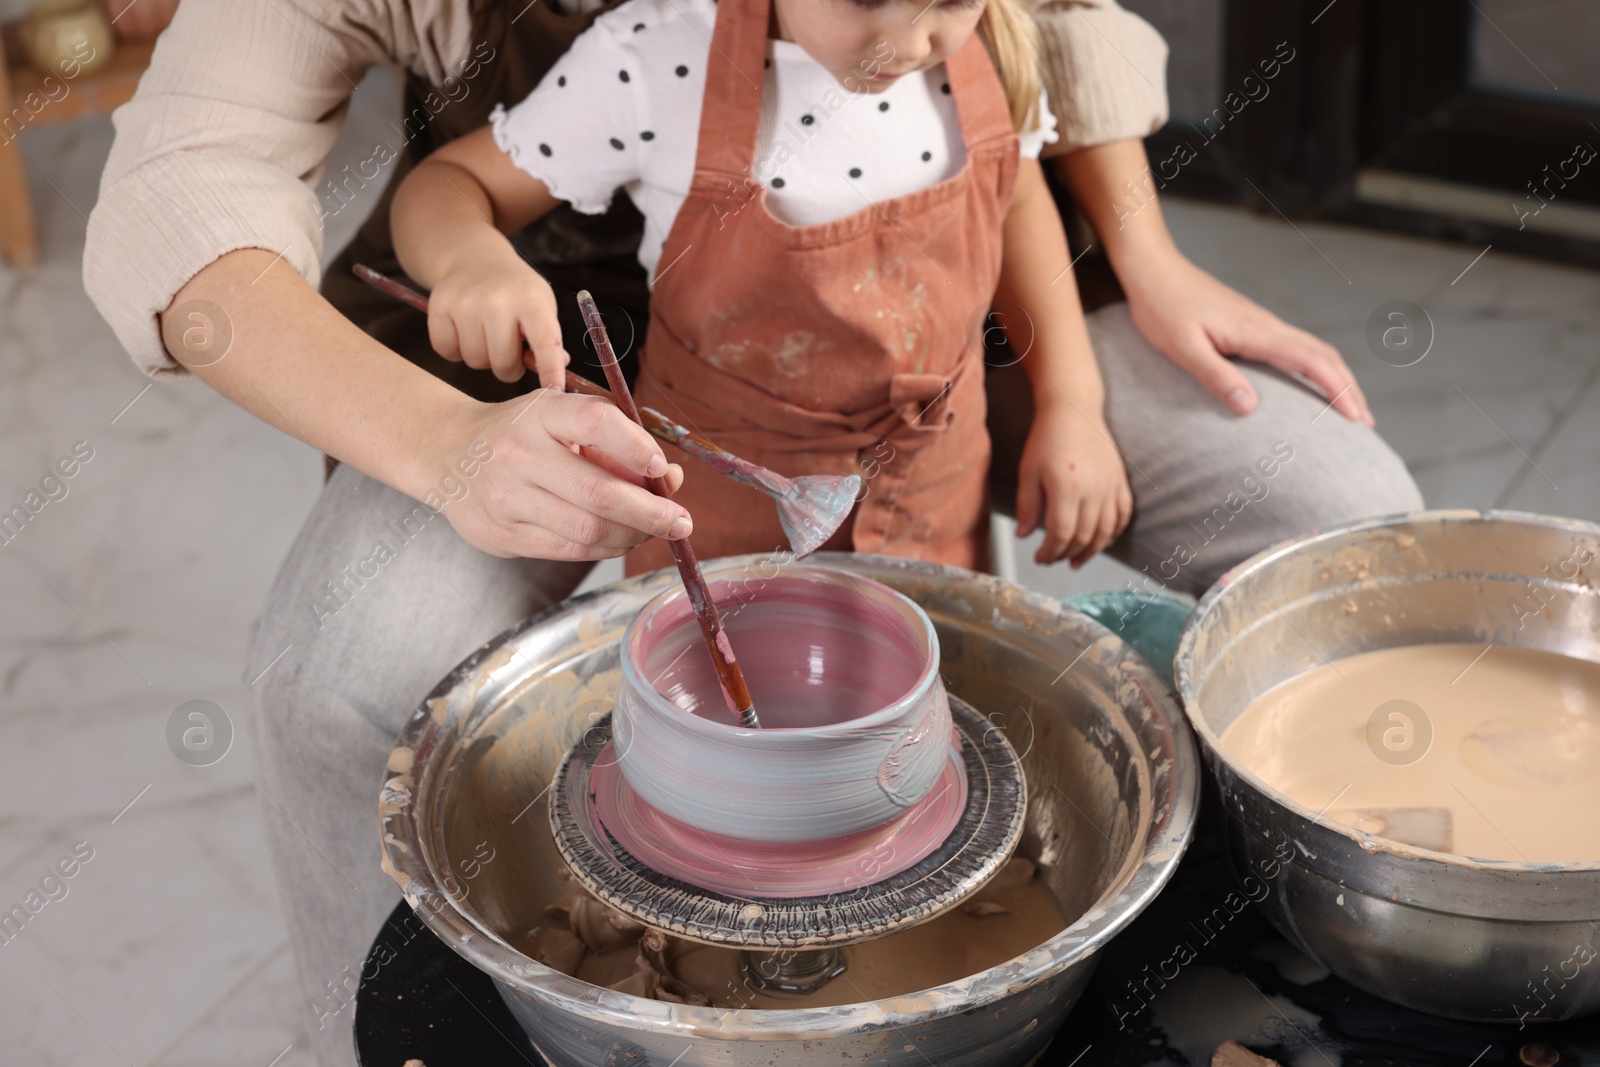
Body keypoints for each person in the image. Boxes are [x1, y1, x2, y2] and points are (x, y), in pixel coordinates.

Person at [81, 2, 1421, 1063]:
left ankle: (1325, 985)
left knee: (1337, 517)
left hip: (941, 341)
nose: (901, 33)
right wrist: (450, 435)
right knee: (341, 670)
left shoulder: (947, 49)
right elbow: (186, 202)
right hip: (569, 335)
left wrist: (1133, 283)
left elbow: (1037, 57)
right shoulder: (648, 64)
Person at [390, 0, 1132, 576]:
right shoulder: (659, 59)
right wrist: (470, 261)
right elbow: (449, 184)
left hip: (935, 498)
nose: (909, 46)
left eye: (950, 2)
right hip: (720, 517)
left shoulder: (991, 42)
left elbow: (1016, 195)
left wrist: (1074, 402)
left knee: (916, 725)